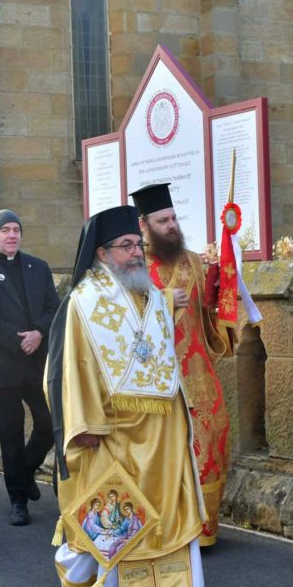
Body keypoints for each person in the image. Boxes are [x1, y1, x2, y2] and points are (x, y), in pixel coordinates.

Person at [47, 204, 206, 587]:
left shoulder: (148, 292)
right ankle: (80, 582)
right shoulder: (83, 302)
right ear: (101, 253)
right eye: (126, 245)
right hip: (113, 431)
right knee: (114, 515)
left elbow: (156, 352)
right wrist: (84, 425)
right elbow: (72, 369)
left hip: (163, 429)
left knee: (165, 515)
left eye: (138, 244)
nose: (137, 252)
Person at [129, 183, 234, 546]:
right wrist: (162, 299)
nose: (172, 225)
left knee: (214, 436)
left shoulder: (192, 261)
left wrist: (223, 289)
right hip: (156, 379)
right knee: (165, 451)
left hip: (198, 374)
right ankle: (169, 527)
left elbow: (207, 315)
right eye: (163, 220)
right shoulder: (131, 265)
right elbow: (121, 318)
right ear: (143, 224)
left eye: (173, 218)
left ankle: (204, 528)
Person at [0, 208, 60, 526]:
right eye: (5, 230)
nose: (12, 235)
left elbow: (53, 308)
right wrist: (20, 340)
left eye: (16, 230)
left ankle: (25, 470)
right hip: (3, 365)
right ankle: (18, 501)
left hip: (36, 363)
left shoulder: (38, 267)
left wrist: (39, 333)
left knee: (49, 423)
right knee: (10, 434)